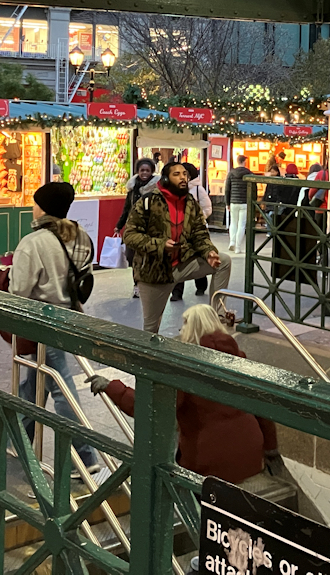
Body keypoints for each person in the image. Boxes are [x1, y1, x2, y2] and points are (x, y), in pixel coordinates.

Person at [90, 305, 281, 484]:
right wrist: (271, 449)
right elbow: (262, 407)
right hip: (250, 453)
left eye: (185, 324)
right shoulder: (240, 359)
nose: (181, 330)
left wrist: (112, 387)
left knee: (190, 503)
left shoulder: (185, 369)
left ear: (193, 329)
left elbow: (153, 406)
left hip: (207, 462)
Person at [10, 181, 99, 472]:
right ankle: (19, 437)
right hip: (71, 316)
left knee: (61, 387)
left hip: (43, 321)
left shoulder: (33, 242)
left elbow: (19, 289)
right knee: (36, 381)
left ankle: (85, 458)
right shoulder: (81, 236)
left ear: (42, 206)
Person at [125, 161, 232, 333]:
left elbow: (199, 233)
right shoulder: (148, 201)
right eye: (177, 174)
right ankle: (149, 355)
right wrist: (160, 245)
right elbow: (130, 235)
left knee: (224, 261)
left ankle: (217, 318)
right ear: (166, 179)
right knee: (151, 328)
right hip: (154, 272)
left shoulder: (190, 201)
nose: (183, 178)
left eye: (185, 174)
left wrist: (208, 252)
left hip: (183, 264)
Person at [172, 162, 212, 301]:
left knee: (198, 258)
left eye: (185, 174)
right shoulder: (174, 190)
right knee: (177, 259)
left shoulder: (197, 189)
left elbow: (207, 208)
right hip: (178, 230)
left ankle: (201, 285)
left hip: (195, 231)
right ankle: (176, 293)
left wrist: (195, 219)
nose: (182, 177)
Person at [117, 159, 157, 299]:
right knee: (132, 257)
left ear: (152, 171)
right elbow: (126, 208)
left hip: (151, 229)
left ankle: (147, 284)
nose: (144, 173)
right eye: (142, 170)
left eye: (147, 170)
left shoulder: (156, 189)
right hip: (134, 228)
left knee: (148, 257)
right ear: (137, 171)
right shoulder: (132, 189)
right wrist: (119, 226)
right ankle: (137, 284)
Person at [224, 155, 252, 253]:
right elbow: (254, 189)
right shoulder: (249, 173)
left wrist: (227, 202)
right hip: (245, 202)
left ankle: (232, 242)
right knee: (241, 225)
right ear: (244, 161)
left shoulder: (231, 173)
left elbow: (227, 189)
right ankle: (238, 247)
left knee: (233, 223)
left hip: (233, 201)